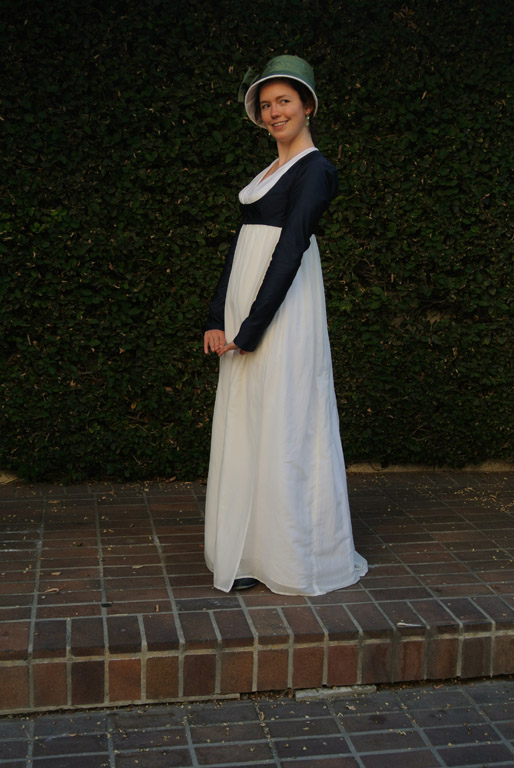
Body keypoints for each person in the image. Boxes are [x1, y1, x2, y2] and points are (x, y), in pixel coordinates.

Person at [203, 55, 368, 595]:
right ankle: (248, 549)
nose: (275, 112)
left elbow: (291, 248)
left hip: (282, 310)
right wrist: (217, 317)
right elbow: (240, 247)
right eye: (267, 104)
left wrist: (252, 329)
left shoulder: (316, 170)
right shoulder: (267, 173)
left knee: (283, 418)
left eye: (285, 101)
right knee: (249, 419)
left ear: (308, 106)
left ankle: (288, 555)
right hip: (245, 306)